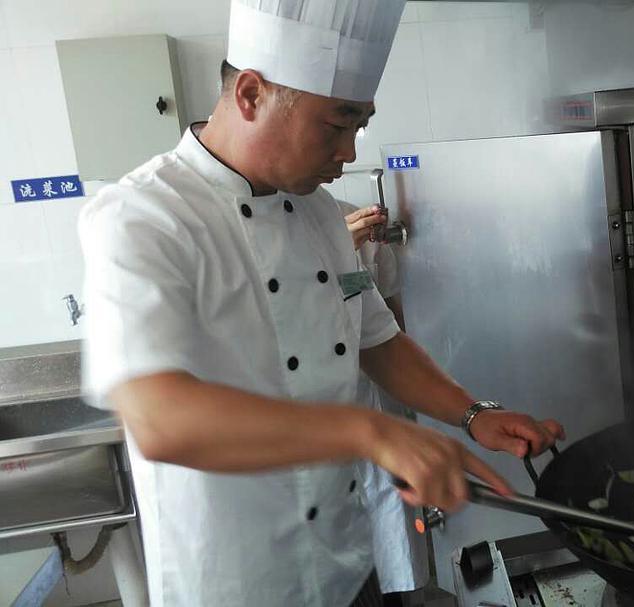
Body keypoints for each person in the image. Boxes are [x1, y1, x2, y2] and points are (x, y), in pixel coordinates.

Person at [77, 1, 564, 605]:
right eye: (336, 126)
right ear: (251, 94)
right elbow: (158, 420)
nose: (349, 152)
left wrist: (472, 414)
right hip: (235, 580)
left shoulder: (321, 213)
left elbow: (377, 341)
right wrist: (371, 431)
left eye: (359, 126)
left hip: (344, 561)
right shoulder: (143, 217)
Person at [340, 200, 427, 604]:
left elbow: (390, 323)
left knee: (392, 551)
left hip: (381, 407)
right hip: (325, 429)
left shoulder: (356, 223)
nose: (340, 168)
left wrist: (468, 414)